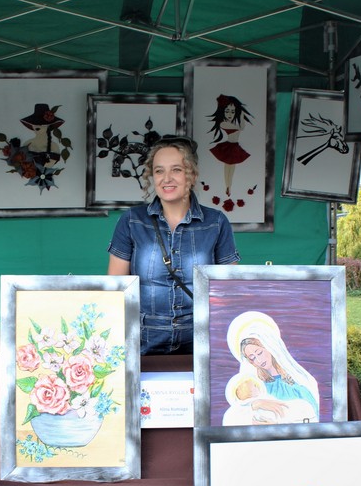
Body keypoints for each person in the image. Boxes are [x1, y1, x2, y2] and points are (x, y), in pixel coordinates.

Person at [107, 136, 240, 354]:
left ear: (192, 175)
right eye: (159, 171)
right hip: (142, 341)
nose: (166, 178)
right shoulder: (132, 220)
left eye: (176, 170)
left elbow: (230, 289)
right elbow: (115, 290)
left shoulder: (216, 222)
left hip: (201, 340)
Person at [222, 373, 317, 425]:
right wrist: (254, 405)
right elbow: (230, 419)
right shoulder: (239, 409)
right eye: (254, 386)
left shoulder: (266, 394)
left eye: (259, 353)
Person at [207, 95, 253, 197]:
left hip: (235, 146)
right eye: (227, 111)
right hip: (229, 147)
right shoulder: (223, 123)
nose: (229, 114)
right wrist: (241, 115)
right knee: (227, 167)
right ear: (223, 111)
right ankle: (227, 186)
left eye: (232, 112)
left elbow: (241, 127)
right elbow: (241, 128)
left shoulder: (231, 123)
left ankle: (229, 187)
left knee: (231, 168)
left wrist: (241, 115)